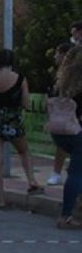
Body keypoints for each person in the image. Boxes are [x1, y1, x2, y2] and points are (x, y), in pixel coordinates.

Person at [0, 49, 43, 208]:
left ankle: (1, 198)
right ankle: (32, 181)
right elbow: (26, 103)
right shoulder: (20, 78)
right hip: (13, 120)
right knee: (24, 151)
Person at [51, 44, 82, 229]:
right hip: (78, 132)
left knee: (76, 171)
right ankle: (66, 216)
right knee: (76, 174)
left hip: (61, 133)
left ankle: (73, 211)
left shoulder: (60, 82)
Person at [46, 43, 73, 186]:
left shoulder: (74, 73)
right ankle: (56, 173)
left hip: (73, 113)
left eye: (58, 53)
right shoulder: (58, 73)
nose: (55, 56)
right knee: (62, 144)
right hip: (61, 114)